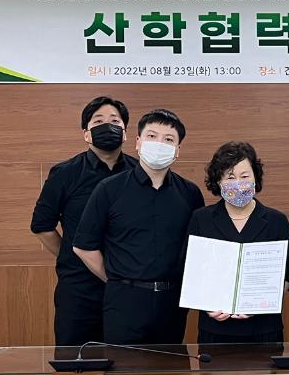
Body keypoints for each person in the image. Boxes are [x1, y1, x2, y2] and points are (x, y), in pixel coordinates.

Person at [73, 109, 204, 344]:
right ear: (137, 142)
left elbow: (198, 248)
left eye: (168, 139)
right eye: (152, 136)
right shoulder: (109, 189)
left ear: (177, 150)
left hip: (172, 302)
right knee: (124, 365)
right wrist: (116, 279)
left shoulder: (190, 193)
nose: (159, 144)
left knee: (170, 364)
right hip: (124, 301)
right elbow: (83, 246)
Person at [30, 96, 137, 346]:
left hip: (127, 287)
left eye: (115, 121)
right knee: (75, 360)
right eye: (98, 121)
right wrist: (71, 255)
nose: (107, 126)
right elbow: (42, 226)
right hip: (79, 289)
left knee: (128, 360)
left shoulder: (139, 173)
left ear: (125, 133)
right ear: (86, 134)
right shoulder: (65, 173)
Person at [185, 142, 289, 343]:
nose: (238, 183)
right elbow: (189, 270)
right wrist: (206, 305)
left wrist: (263, 300)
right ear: (218, 181)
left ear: (256, 178)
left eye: (245, 176)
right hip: (215, 329)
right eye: (230, 177)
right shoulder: (201, 219)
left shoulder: (276, 220)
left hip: (264, 329)